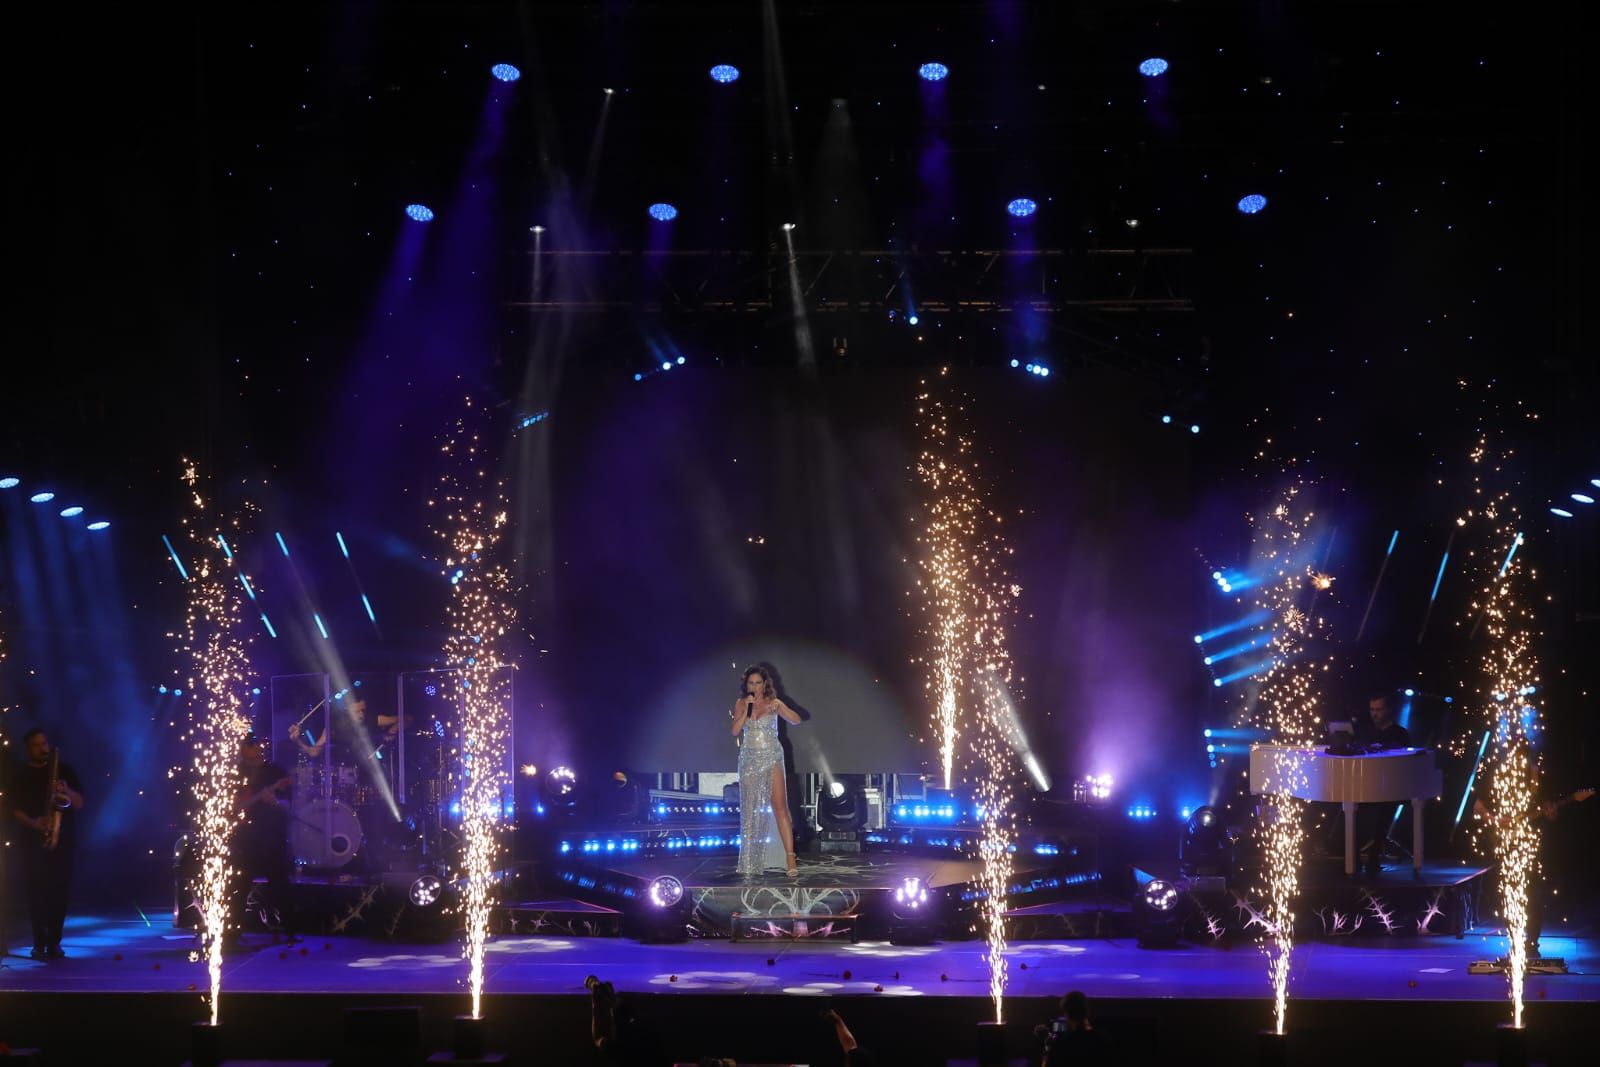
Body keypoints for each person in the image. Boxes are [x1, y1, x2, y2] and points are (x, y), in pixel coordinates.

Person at [8, 728, 85, 960]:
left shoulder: (64, 770)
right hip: (33, 841)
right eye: (37, 745)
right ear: (28, 749)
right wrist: (35, 823)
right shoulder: (21, 775)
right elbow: (14, 809)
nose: (43, 749)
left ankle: (54, 942)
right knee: (37, 892)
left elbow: (80, 803)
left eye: (44, 744)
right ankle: (39, 942)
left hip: (62, 841)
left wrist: (66, 791)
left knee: (59, 892)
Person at [730, 663, 802, 878]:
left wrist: (780, 707)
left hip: (771, 757)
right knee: (751, 811)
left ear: (764, 684)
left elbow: (797, 720)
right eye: (751, 683)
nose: (755, 686)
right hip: (749, 759)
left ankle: (790, 858)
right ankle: (751, 860)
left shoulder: (774, 703)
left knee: (780, 807)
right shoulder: (742, 703)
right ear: (747, 685)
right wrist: (747, 710)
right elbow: (735, 731)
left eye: (758, 683)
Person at [233, 735, 297, 943]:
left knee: (280, 884)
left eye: (253, 745)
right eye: (246, 745)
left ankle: (288, 930)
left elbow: (287, 806)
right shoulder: (235, 774)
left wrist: (275, 802)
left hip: (271, 838)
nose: (250, 749)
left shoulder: (275, 772)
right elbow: (233, 808)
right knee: (239, 886)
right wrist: (259, 797)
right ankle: (232, 933)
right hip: (244, 840)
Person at [1354, 693, 1411, 878]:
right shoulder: (1367, 733)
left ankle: (1374, 854)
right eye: (1372, 710)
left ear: (1388, 710)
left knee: (1384, 811)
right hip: (1366, 783)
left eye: (1378, 710)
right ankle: (1353, 855)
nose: (1374, 714)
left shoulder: (1400, 733)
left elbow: (1405, 761)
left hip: (1391, 786)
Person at [1039, 990, 1110, 1065]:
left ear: (1066, 1014)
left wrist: (1048, 1050)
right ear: (1087, 1011)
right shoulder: (1103, 1039)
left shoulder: (1061, 1044)